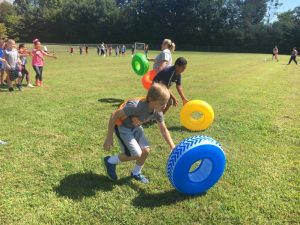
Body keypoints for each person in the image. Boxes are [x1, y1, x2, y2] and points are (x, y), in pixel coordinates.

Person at [103, 83, 175, 183]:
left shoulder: (158, 111)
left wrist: (172, 147)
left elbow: (164, 130)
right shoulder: (136, 106)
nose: (165, 106)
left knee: (145, 151)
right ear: (150, 99)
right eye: (162, 103)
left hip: (135, 127)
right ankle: (110, 161)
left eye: (166, 103)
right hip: (123, 127)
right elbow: (114, 115)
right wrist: (109, 137)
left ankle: (136, 173)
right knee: (136, 154)